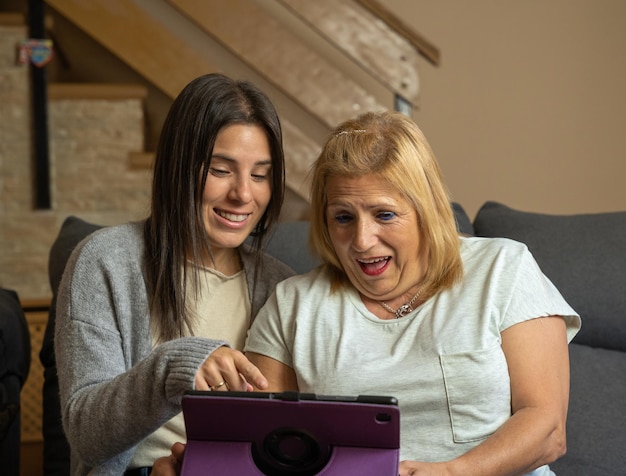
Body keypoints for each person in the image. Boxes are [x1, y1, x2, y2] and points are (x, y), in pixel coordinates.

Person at [152, 111, 581, 476]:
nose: (362, 240)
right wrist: (197, 464)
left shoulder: (503, 269)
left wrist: (452, 472)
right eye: (342, 217)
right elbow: (261, 445)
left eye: (385, 214)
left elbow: (546, 427)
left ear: (427, 210)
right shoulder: (294, 304)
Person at [54, 73, 295, 475]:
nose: (243, 195)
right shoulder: (106, 262)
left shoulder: (281, 287)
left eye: (260, 175)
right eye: (221, 170)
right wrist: (174, 367)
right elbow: (86, 433)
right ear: (178, 167)